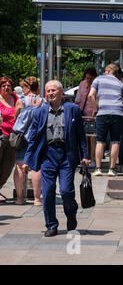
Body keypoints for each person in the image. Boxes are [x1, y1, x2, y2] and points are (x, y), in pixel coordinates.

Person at [22, 80, 89, 237]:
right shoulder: (39, 112)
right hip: (48, 155)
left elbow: (81, 135)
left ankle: (71, 215)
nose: (50, 93)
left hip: (67, 155)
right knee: (48, 191)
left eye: (53, 90)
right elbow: (33, 138)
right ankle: (51, 225)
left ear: (61, 92)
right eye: (48, 91)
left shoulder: (72, 110)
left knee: (66, 191)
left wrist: (85, 155)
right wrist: (27, 160)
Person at [88, 63, 123, 176]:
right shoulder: (120, 84)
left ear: (108, 71)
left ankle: (98, 169)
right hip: (118, 113)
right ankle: (112, 169)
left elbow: (91, 95)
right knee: (115, 141)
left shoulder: (98, 79)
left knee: (100, 141)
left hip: (103, 113)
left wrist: (95, 108)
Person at [14, 77, 44, 205]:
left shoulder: (20, 101)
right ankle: (37, 199)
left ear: (26, 87)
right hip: (36, 136)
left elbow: (16, 118)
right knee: (36, 167)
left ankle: (20, 198)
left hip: (22, 137)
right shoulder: (41, 101)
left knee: (20, 166)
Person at [0, 77, 21, 203]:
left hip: (13, 137)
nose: (6, 88)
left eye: (8, 85)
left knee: (8, 166)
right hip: (1, 135)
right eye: (3, 86)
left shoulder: (16, 98)